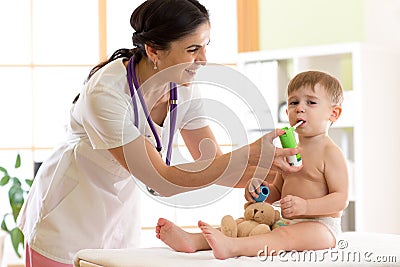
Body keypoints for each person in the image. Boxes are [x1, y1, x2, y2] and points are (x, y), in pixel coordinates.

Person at [18, 0, 301, 266]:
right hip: (66, 218)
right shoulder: (105, 93)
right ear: (153, 50)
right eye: (192, 50)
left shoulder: (183, 87)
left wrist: (270, 174)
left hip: (119, 215)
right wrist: (247, 154)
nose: (203, 60)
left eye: (205, 46)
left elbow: (212, 164)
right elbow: (162, 181)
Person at [156, 70, 349, 259]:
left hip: (321, 226)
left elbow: (341, 199)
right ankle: (195, 241)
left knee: (283, 237)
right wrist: (260, 193)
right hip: (289, 221)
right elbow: (278, 192)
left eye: (311, 102)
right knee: (243, 225)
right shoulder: (291, 152)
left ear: (334, 113)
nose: (300, 108)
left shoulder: (330, 153)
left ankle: (232, 248)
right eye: (293, 102)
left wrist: (306, 207)